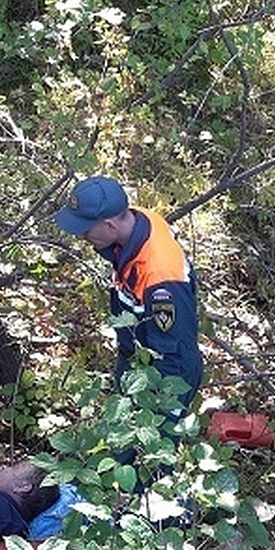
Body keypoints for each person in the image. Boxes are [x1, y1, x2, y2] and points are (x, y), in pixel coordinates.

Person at [53, 175, 203, 412]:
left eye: (86, 230)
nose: (82, 237)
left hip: (168, 370)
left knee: (140, 446)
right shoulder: (136, 219)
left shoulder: (161, 281)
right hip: (136, 356)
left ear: (110, 225)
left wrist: (159, 403)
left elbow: (172, 352)